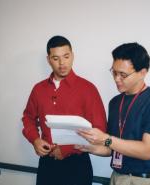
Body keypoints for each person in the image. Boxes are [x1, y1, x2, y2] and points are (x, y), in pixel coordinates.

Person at [76, 42, 150, 185]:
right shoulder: (115, 103)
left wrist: (106, 139)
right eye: (114, 72)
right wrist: (89, 147)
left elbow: (147, 150)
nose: (116, 79)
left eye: (123, 75)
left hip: (145, 180)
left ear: (142, 73)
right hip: (117, 178)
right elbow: (111, 148)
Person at [22, 35, 107, 185]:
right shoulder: (38, 89)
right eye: (55, 58)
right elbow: (28, 118)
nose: (62, 63)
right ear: (49, 60)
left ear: (72, 56)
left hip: (77, 165)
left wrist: (68, 149)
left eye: (66, 56)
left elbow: (100, 129)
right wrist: (35, 140)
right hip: (47, 164)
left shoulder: (88, 89)